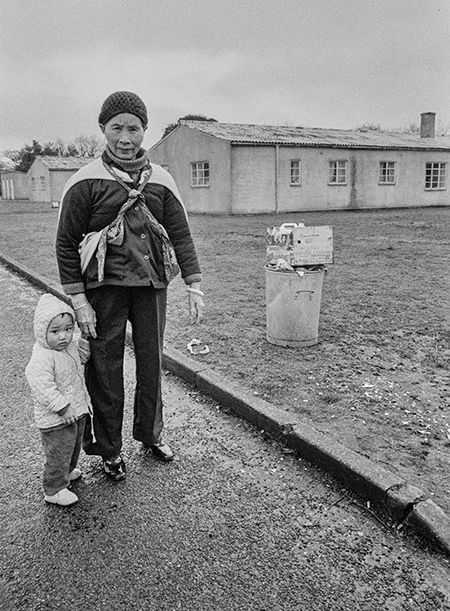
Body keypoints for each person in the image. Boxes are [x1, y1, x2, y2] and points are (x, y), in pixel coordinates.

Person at [56, 91, 204, 482]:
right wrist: (79, 300)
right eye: (117, 127)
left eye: (133, 128)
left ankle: (150, 434)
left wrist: (194, 283)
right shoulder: (85, 181)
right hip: (104, 290)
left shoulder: (162, 180)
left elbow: (181, 235)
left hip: (152, 285)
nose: (125, 137)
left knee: (153, 362)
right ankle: (109, 449)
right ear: (103, 129)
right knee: (105, 369)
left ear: (145, 131)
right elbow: (66, 243)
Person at [25, 293, 92, 506]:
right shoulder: (42, 357)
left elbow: (79, 360)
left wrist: (83, 344)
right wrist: (62, 407)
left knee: (73, 446)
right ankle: (54, 488)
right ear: (42, 332)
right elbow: (43, 387)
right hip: (55, 419)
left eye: (68, 329)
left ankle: (67, 472)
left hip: (76, 410)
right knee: (58, 452)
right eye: (55, 331)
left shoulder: (68, 345)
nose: (63, 336)